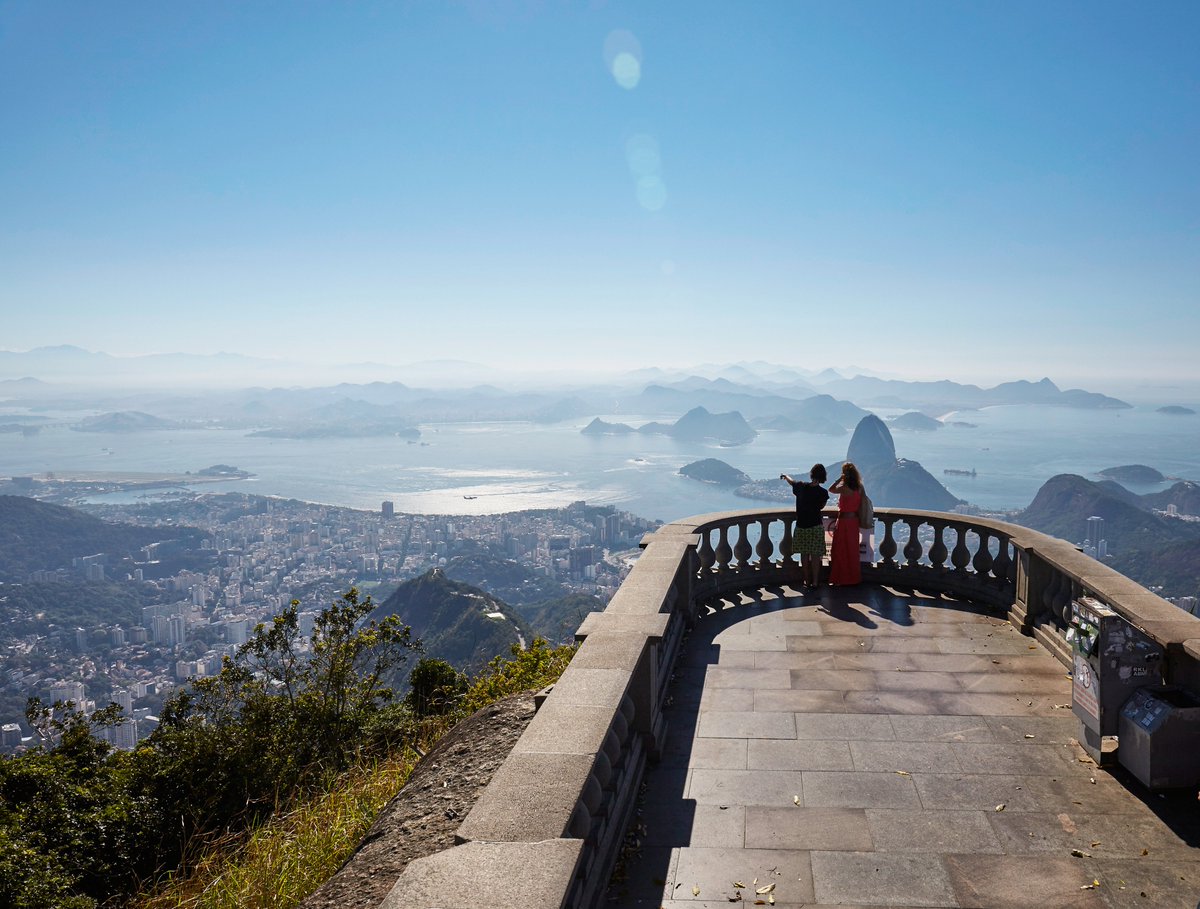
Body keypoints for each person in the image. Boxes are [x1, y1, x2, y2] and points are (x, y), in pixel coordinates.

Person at [781, 464, 829, 588]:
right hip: (816, 526)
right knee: (816, 556)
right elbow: (821, 507)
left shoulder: (801, 486)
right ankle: (815, 582)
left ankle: (806, 580)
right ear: (823, 477)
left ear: (811, 474)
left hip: (802, 526)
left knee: (804, 554)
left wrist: (786, 476)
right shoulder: (823, 493)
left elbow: (792, 482)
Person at [828, 461, 864, 585]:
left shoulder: (844, 488)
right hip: (854, 522)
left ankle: (841, 578)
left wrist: (839, 479)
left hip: (844, 522)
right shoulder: (859, 487)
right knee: (852, 550)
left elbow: (831, 489)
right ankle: (853, 578)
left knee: (840, 549)